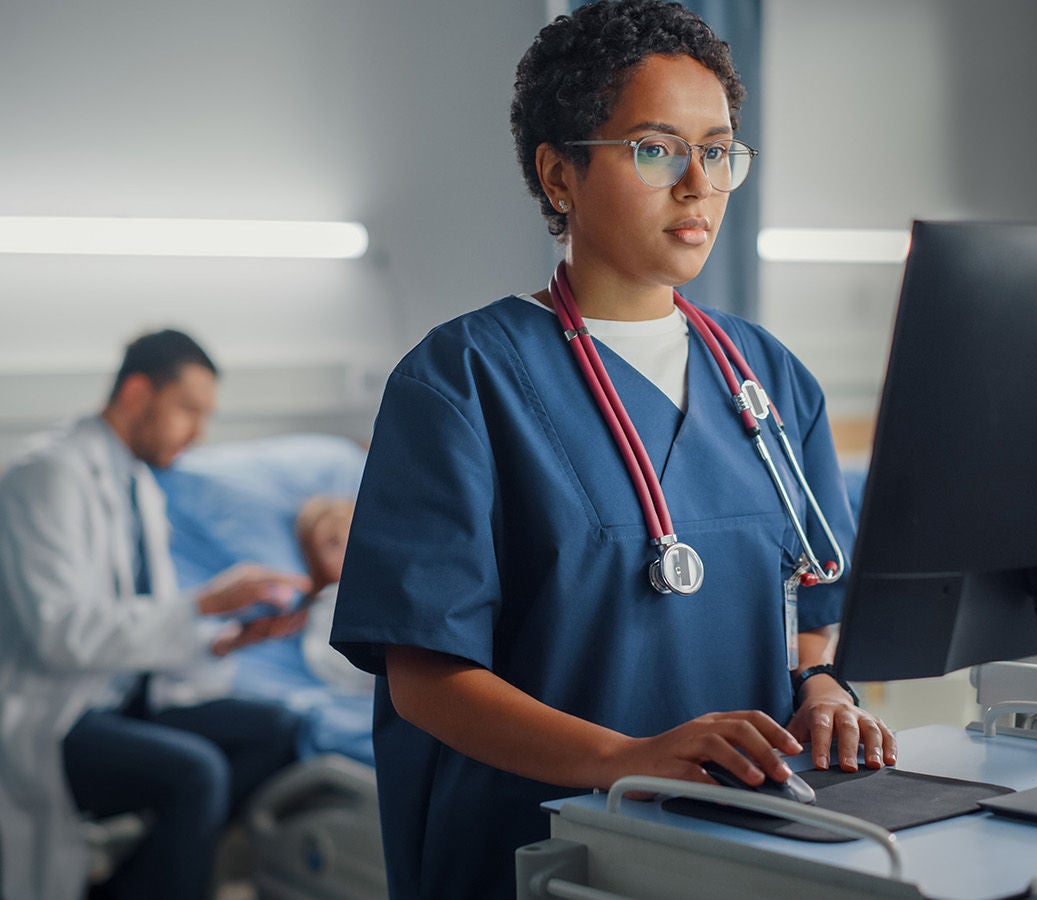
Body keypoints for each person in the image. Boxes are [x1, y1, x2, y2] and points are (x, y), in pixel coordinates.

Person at [330, 3, 896, 896]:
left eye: (717, 152)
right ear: (559, 174)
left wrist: (823, 692)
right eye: (657, 148)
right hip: (538, 859)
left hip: (740, 846)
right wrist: (628, 758)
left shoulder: (771, 378)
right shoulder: (461, 380)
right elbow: (427, 681)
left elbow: (814, 612)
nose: (697, 183)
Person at [0, 329, 312, 900]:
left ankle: (136, 885)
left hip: (127, 700)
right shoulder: (45, 477)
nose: (198, 433)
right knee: (195, 773)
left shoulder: (139, 485)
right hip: (56, 717)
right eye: (189, 410)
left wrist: (226, 640)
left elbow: (147, 623)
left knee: (279, 730)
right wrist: (205, 602)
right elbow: (60, 633)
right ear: (139, 393)